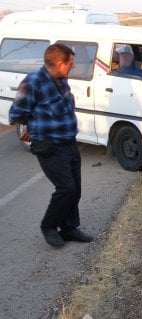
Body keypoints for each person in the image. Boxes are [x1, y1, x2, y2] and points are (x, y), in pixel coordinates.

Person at [8, 43, 94, 247]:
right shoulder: (33, 82)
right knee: (66, 188)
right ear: (59, 63)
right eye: (71, 63)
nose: (73, 67)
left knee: (76, 189)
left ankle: (69, 228)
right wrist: (30, 127)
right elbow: (16, 113)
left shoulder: (62, 80)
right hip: (50, 146)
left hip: (70, 142)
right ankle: (49, 226)